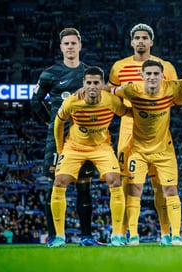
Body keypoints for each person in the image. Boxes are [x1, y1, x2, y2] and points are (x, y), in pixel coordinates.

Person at [108, 23, 178, 246]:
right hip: (128, 129)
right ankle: (121, 234)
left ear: (151, 42)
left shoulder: (166, 67)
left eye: (144, 38)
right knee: (124, 183)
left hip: (156, 129)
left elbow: (174, 94)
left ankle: (166, 233)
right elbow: (110, 95)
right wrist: (126, 111)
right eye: (137, 38)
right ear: (131, 42)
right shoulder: (119, 67)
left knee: (160, 185)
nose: (140, 41)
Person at [31, 28, 101, 246]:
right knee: (55, 186)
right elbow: (35, 101)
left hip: (84, 139)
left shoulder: (89, 75)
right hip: (58, 140)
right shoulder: (50, 74)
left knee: (84, 185)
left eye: (73, 43)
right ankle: (55, 237)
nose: (70, 47)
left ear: (80, 45)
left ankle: (86, 236)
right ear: (61, 47)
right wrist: (49, 122)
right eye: (66, 43)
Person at [49, 66, 130, 247]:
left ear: (102, 84)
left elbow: (128, 113)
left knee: (115, 181)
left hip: (102, 147)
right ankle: (59, 238)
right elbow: (58, 122)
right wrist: (60, 149)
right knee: (59, 182)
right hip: (74, 147)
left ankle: (117, 236)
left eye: (96, 83)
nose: (92, 86)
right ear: (83, 84)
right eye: (89, 83)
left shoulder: (111, 100)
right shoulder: (72, 101)